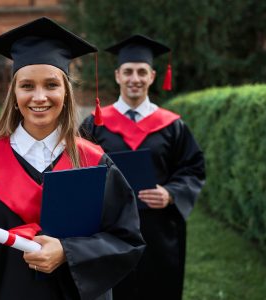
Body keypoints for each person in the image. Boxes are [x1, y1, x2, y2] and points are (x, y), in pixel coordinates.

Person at [0, 17, 145, 300]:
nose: (39, 96)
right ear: (14, 93)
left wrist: (68, 252)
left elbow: (126, 238)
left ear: (66, 93)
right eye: (27, 86)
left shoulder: (94, 161)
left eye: (51, 85)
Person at [79, 35, 206, 300]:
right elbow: (77, 170)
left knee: (159, 288)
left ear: (152, 76)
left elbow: (192, 168)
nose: (134, 78)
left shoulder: (172, 125)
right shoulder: (94, 125)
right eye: (128, 71)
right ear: (117, 76)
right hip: (108, 228)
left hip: (159, 228)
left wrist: (171, 193)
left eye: (141, 72)